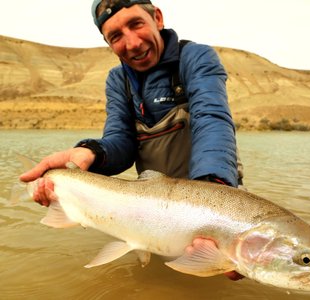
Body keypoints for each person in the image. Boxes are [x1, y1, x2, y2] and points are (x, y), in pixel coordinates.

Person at [20, 0, 243, 280]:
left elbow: (212, 119)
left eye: (136, 24)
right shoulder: (117, 80)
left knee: (230, 271)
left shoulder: (196, 58)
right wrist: (89, 153)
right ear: (107, 42)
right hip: (149, 205)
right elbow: (121, 144)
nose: (133, 43)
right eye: (115, 36)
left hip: (213, 191)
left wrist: (212, 198)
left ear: (157, 19)